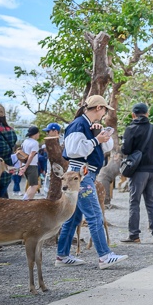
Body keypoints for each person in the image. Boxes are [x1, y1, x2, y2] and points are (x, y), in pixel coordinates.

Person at [55, 95, 128, 269]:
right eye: (104, 110)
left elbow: (105, 147)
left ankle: (62, 255)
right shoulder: (79, 124)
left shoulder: (87, 125)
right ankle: (104, 256)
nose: (104, 114)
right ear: (98, 108)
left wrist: (99, 134)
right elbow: (72, 151)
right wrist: (96, 139)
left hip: (84, 174)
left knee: (73, 218)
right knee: (95, 215)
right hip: (80, 174)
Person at [120, 103, 153, 244]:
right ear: (147, 114)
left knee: (134, 202)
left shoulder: (131, 129)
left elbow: (125, 150)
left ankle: (134, 235)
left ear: (133, 115)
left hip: (139, 171)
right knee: (151, 202)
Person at [20, 126, 41, 200]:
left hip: (24, 164)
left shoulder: (25, 141)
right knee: (34, 185)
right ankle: (27, 201)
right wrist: (26, 166)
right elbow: (31, 156)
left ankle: (25, 199)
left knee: (31, 184)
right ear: (35, 133)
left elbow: (20, 154)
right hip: (31, 165)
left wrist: (22, 167)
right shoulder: (35, 143)